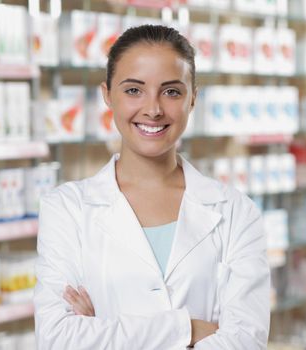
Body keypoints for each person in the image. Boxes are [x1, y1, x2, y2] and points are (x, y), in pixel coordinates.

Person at [34, 24, 270, 349]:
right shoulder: (67, 208)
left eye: (172, 91)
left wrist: (102, 331)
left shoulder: (236, 212)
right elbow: (57, 339)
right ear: (107, 95)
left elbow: (246, 341)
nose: (154, 109)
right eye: (134, 90)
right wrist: (186, 329)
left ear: (192, 99)